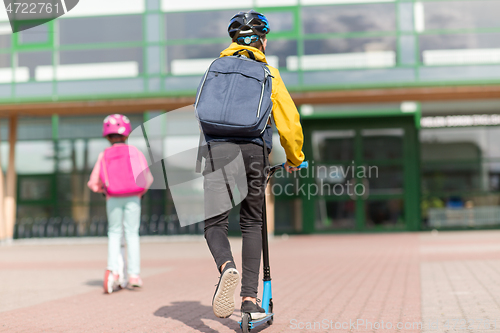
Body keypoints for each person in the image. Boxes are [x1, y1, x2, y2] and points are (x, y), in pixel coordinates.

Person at [200, 10, 305, 320]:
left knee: (214, 224)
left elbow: (204, 110)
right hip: (254, 151)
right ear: (264, 41)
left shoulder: (215, 68)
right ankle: (248, 299)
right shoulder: (268, 72)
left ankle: (225, 266)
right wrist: (294, 157)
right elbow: (289, 120)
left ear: (233, 40)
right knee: (252, 223)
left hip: (217, 148)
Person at [88, 114, 153, 294]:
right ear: (127, 134)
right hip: (133, 197)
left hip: (113, 198)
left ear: (107, 136)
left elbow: (94, 182)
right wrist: (140, 193)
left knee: (114, 233)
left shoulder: (104, 154)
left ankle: (114, 272)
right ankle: (134, 276)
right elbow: (147, 178)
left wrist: (102, 189)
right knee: (132, 234)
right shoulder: (135, 152)